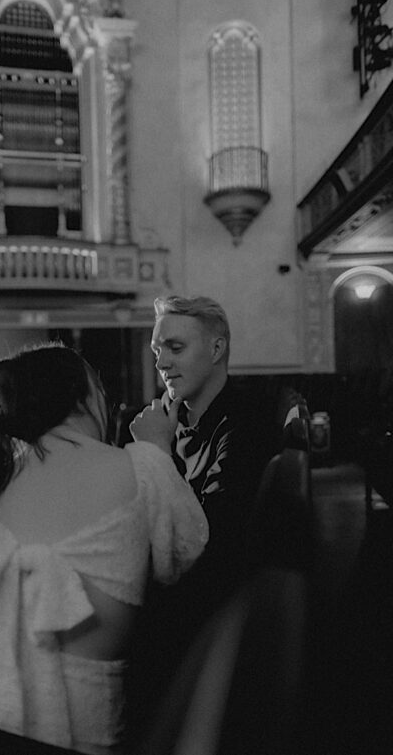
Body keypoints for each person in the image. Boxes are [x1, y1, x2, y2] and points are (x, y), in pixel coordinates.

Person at [0, 343, 208, 755]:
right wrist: (159, 450)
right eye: (101, 394)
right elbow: (186, 550)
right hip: (82, 720)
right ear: (83, 397)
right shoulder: (140, 466)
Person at [125, 295, 273, 736]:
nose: (162, 364)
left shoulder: (247, 420)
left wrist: (155, 452)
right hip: (177, 588)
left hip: (218, 613)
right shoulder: (172, 419)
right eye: (156, 352)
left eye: (175, 348)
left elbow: (211, 543)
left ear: (216, 349)